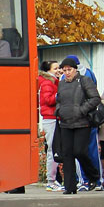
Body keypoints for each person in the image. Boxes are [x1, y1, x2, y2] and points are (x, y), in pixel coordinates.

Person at [56, 56, 102, 193]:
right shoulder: (62, 83)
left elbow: (95, 98)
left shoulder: (84, 81)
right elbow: (59, 99)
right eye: (64, 70)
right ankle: (70, 187)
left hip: (82, 122)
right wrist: (59, 110)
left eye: (69, 69)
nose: (67, 72)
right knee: (67, 155)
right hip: (65, 122)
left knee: (80, 152)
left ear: (75, 69)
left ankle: (93, 175)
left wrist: (81, 110)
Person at [38, 60, 61, 191]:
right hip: (51, 119)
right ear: (48, 71)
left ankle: (53, 180)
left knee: (54, 150)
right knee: (53, 150)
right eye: (55, 68)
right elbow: (48, 100)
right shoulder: (48, 83)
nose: (59, 70)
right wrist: (60, 95)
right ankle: (51, 181)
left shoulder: (52, 82)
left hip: (52, 118)